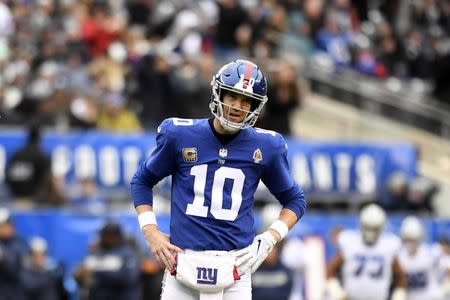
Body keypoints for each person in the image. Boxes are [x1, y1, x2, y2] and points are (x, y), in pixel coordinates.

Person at [130, 59, 306, 299]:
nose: (238, 106)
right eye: (232, 96)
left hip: (235, 265)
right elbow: (142, 180)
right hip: (182, 261)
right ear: (218, 94)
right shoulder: (179, 134)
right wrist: (150, 230)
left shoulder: (267, 145)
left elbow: (295, 199)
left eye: (247, 101)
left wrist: (269, 238)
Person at [326, 203, 407, 300]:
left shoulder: (389, 246)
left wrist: (398, 295)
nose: (370, 233)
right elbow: (331, 270)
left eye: (374, 229)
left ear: (381, 228)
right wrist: (336, 290)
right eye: (368, 228)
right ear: (361, 225)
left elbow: (400, 278)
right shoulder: (350, 242)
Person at [73, 221, 141, 300]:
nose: (104, 238)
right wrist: (80, 276)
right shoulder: (96, 253)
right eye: (104, 234)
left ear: (117, 235)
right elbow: (84, 279)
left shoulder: (128, 253)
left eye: (109, 235)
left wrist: (98, 272)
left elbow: (130, 278)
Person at [397, 216, 443, 300]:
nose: (410, 243)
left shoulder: (430, 253)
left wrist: (442, 288)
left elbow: (445, 269)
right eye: (407, 240)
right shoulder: (399, 256)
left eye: (413, 240)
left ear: (419, 238)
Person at [0, 207, 27, 300]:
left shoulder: (18, 242)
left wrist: (3, 257)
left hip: (13, 293)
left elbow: (15, 269)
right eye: (4, 225)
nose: (9, 227)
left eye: (10, 224)